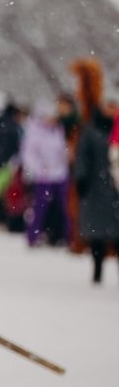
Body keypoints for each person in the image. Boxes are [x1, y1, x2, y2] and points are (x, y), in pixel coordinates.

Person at [74, 100, 119, 285]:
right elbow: (83, 155)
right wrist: (81, 178)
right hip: (96, 188)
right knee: (97, 234)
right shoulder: (91, 130)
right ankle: (97, 270)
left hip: (116, 186)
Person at [19, 99, 71, 247]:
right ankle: (33, 237)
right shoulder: (35, 132)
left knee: (64, 207)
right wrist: (39, 169)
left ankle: (66, 237)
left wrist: (64, 159)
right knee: (40, 208)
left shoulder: (58, 131)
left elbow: (62, 150)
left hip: (60, 174)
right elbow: (28, 155)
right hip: (43, 177)